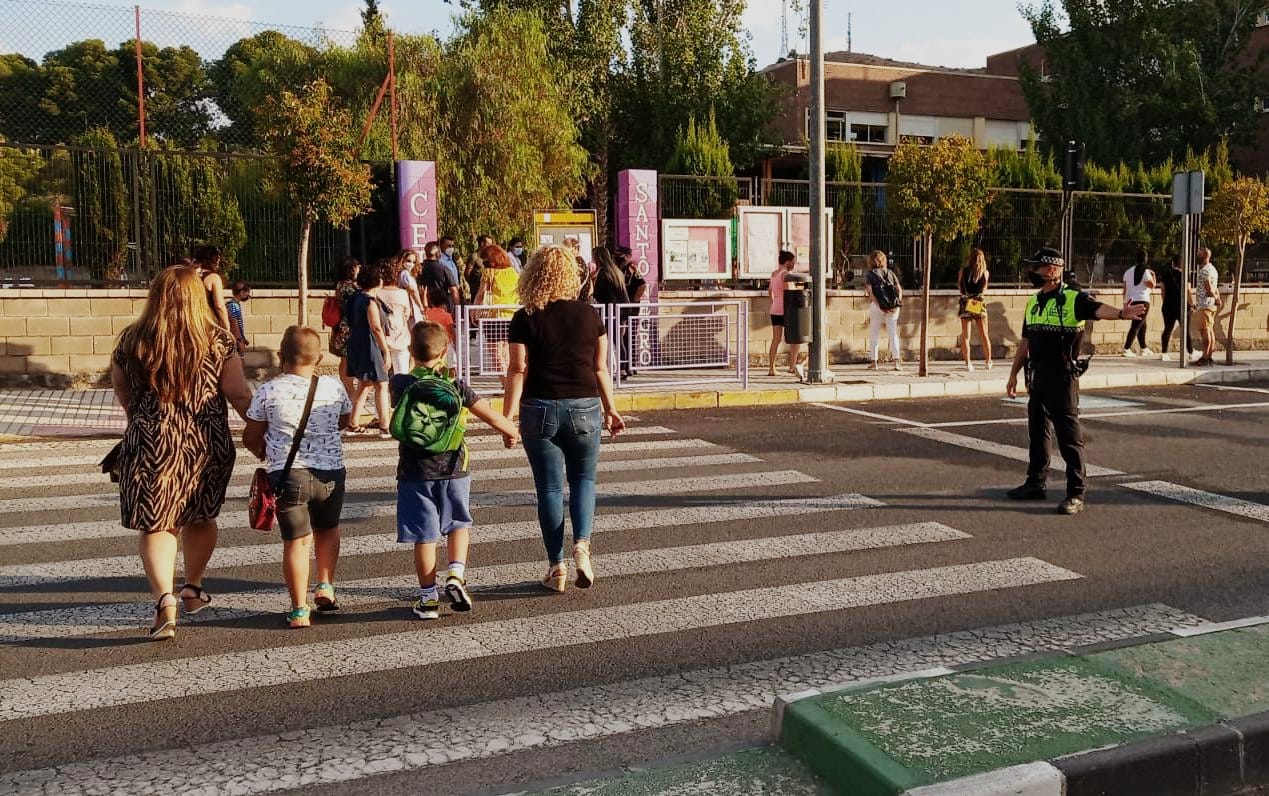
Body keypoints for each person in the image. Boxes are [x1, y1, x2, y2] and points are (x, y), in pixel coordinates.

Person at [110, 265, 252, 640]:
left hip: (150, 441)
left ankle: (164, 600)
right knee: (200, 516)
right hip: (205, 443)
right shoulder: (218, 340)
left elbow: (122, 388)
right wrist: (262, 429)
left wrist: (139, 418)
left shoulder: (132, 339)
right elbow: (238, 394)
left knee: (157, 523)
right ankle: (192, 586)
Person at [502, 245, 626, 593]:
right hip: (585, 406)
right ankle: (582, 547)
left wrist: (507, 419)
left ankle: (556, 566)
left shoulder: (524, 317)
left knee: (550, 489)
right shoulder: (590, 316)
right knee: (584, 480)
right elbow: (600, 368)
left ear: (533, 275)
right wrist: (611, 409)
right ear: (570, 276)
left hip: (539, 407)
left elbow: (517, 370)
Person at [390, 321, 520, 620]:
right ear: (445, 350)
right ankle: (456, 574)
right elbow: (490, 414)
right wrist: (511, 432)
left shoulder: (400, 383)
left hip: (414, 472)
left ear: (411, 350)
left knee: (424, 536)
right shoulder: (457, 386)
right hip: (454, 468)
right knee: (458, 523)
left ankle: (428, 599)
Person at [1005, 247, 1146, 516]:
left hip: (1062, 376)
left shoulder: (1072, 298)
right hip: (1036, 375)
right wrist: (1013, 373)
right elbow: (1025, 341)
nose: (1032, 272)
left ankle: (1076, 493)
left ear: (1052, 270)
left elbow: (1096, 309)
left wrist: (1121, 313)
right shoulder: (1034, 301)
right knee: (1038, 432)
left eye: (1036, 267)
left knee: (1069, 437)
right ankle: (1035, 483)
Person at [243, 326, 352, 629]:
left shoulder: (268, 390)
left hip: (288, 474)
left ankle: (299, 610)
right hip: (331, 471)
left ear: (281, 356)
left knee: (297, 542)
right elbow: (344, 419)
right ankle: (326, 585)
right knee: (328, 529)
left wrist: (265, 451)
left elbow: (251, 436)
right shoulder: (333, 387)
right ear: (319, 358)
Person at [345, 263, 393, 436]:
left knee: (364, 383)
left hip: (356, 341)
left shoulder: (356, 298)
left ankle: (353, 423)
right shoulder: (370, 301)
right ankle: (385, 425)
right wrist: (385, 350)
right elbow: (376, 327)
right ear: (377, 281)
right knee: (382, 384)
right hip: (370, 343)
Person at [474, 245, 522, 391]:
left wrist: (474, 311)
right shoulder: (513, 272)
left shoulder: (489, 273)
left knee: (495, 354)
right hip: (512, 316)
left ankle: (506, 385)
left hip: (494, 316)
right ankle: (509, 384)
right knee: (506, 352)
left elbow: (481, 294)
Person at [329, 258, 361, 415]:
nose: (359, 268)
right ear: (351, 269)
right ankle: (351, 393)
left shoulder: (340, 284)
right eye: (357, 266)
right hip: (349, 328)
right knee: (348, 360)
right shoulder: (351, 287)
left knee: (345, 360)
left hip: (343, 327)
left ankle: (349, 391)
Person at [767, 250, 804, 378]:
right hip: (787, 310)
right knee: (796, 339)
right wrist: (799, 287)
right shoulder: (785, 274)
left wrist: (773, 302)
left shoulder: (774, 274)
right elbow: (789, 290)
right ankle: (792, 366)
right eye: (792, 262)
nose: (793, 264)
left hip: (775, 309)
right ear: (787, 262)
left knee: (776, 339)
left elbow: (769, 291)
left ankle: (771, 368)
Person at [865, 250, 903, 371]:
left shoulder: (870, 275)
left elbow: (870, 293)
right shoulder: (890, 273)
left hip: (877, 307)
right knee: (893, 333)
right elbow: (899, 290)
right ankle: (897, 362)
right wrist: (896, 304)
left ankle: (874, 362)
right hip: (893, 307)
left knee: (874, 333)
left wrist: (880, 305)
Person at [377, 259, 415, 375]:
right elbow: (407, 314)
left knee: (381, 376)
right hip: (400, 337)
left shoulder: (376, 293)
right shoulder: (403, 294)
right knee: (402, 372)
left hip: (380, 338)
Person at [957, 249, 992, 371]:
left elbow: (959, 286)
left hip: (965, 302)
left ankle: (968, 363)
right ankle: (988, 361)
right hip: (978, 302)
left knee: (966, 335)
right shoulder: (985, 273)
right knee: (984, 334)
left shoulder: (963, 271)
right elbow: (984, 289)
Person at [1158, 254, 1194, 362]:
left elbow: (1162, 290)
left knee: (1167, 329)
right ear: (1182, 263)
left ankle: (1164, 353)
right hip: (1181, 305)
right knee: (1185, 329)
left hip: (1168, 305)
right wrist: (1191, 304)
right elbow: (1188, 290)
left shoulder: (1165, 273)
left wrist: (1165, 301)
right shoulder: (1184, 274)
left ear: (1173, 262)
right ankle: (1191, 352)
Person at [1121, 249, 1156, 357]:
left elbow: (1125, 289)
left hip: (1131, 300)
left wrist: (1125, 303)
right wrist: (1154, 275)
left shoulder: (1128, 272)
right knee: (1136, 325)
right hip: (1143, 300)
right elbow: (1152, 285)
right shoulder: (1146, 272)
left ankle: (1143, 347)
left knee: (1142, 324)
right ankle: (1126, 348)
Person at [1193, 247, 1222, 366]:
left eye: (1199, 254)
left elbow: (1209, 288)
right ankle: (1209, 356)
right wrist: (1217, 298)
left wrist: (1215, 297)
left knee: (1205, 331)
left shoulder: (1204, 271)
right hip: (1211, 305)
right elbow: (1215, 287)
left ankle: (1205, 357)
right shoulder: (1213, 269)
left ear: (1205, 256)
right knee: (1210, 330)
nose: (1197, 256)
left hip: (1204, 304)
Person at [194, 244, 231, 333]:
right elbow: (219, 306)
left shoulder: (191, 276)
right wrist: (227, 327)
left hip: (192, 320)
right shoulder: (214, 278)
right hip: (208, 323)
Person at [420, 241, 461, 317]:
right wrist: (457, 311)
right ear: (438, 253)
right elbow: (454, 291)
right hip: (441, 308)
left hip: (421, 308)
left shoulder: (417, 269)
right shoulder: (444, 269)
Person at [394, 249, 425, 323]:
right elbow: (412, 290)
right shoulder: (404, 273)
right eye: (408, 261)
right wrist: (420, 306)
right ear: (402, 260)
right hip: (410, 305)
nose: (411, 264)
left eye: (414, 262)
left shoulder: (402, 274)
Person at [226, 281, 251, 355]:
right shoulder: (234, 305)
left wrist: (243, 338)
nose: (248, 295)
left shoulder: (234, 304)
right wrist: (239, 340)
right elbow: (234, 324)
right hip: (235, 340)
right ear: (242, 293)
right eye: (247, 292)